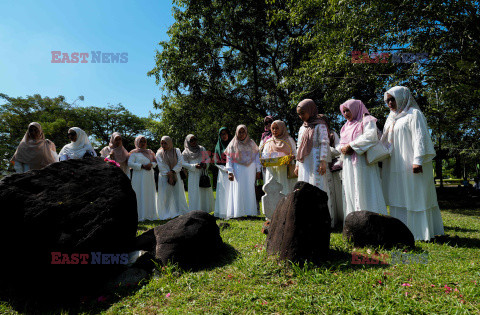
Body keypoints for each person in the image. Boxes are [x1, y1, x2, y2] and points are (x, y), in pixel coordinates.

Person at [382, 86, 444, 241]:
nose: (390, 103)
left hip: (412, 164)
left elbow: (420, 138)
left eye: (392, 99)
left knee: (416, 195)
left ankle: (421, 233)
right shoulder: (390, 118)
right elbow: (385, 141)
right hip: (395, 164)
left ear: (402, 98)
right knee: (398, 195)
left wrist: (418, 160)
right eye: (387, 100)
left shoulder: (414, 114)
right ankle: (400, 232)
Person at [337, 99, 387, 219]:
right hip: (349, 163)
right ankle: (355, 221)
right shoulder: (345, 126)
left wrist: (352, 146)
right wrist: (342, 148)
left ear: (355, 108)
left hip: (363, 162)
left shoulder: (367, 120)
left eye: (347, 110)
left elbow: (371, 136)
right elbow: (341, 143)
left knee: (365, 189)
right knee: (351, 190)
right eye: (343, 112)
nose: (345, 114)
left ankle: (372, 220)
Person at [225, 125, 261, 219]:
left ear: (246, 132)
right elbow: (229, 159)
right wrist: (230, 171)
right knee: (238, 190)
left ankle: (250, 212)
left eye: (243, 132)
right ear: (236, 133)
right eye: (239, 132)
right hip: (238, 170)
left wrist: (258, 170)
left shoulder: (251, 143)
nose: (241, 134)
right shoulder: (232, 144)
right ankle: (238, 213)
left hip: (250, 170)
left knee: (250, 190)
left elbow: (257, 157)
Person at [320, 114, 345, 227]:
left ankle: (337, 217)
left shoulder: (332, 134)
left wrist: (327, 150)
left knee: (335, 193)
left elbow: (339, 149)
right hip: (321, 168)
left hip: (332, 168)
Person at [261, 120, 297, 196]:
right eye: (273, 128)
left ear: (282, 128)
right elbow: (264, 154)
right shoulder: (269, 141)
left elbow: (295, 153)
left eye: (277, 128)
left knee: (285, 189)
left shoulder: (289, 140)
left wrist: (292, 157)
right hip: (272, 169)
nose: (274, 130)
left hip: (285, 170)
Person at [156, 136, 188, 220]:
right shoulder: (159, 153)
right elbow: (161, 165)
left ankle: (179, 212)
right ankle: (166, 214)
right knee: (166, 195)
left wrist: (173, 171)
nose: (163, 145)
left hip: (176, 174)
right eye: (162, 143)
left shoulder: (176, 151)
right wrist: (169, 175)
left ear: (169, 143)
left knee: (178, 194)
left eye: (165, 143)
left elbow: (180, 162)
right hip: (164, 176)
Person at [128, 135, 158, 221]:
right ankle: (140, 215)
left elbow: (155, 162)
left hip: (149, 176)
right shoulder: (134, 153)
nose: (143, 143)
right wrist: (142, 166)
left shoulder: (150, 152)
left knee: (149, 193)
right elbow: (130, 163)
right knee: (139, 193)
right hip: (139, 177)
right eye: (141, 141)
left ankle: (150, 215)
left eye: (144, 141)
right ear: (137, 142)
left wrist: (151, 165)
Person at [182, 134, 214, 213]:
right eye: (191, 140)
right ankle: (195, 211)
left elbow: (208, 159)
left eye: (195, 139)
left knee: (204, 192)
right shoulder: (185, 152)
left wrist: (205, 164)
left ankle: (206, 210)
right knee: (195, 193)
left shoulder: (202, 148)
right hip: (193, 175)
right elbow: (183, 163)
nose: (193, 142)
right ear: (188, 142)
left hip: (202, 173)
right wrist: (194, 166)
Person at [213, 127, 232, 219]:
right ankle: (223, 213)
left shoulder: (233, 144)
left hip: (233, 173)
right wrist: (226, 169)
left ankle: (232, 213)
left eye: (225, 133)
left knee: (231, 192)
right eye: (222, 134)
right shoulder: (218, 147)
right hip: (223, 173)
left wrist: (231, 169)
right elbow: (216, 162)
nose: (224, 136)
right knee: (223, 192)